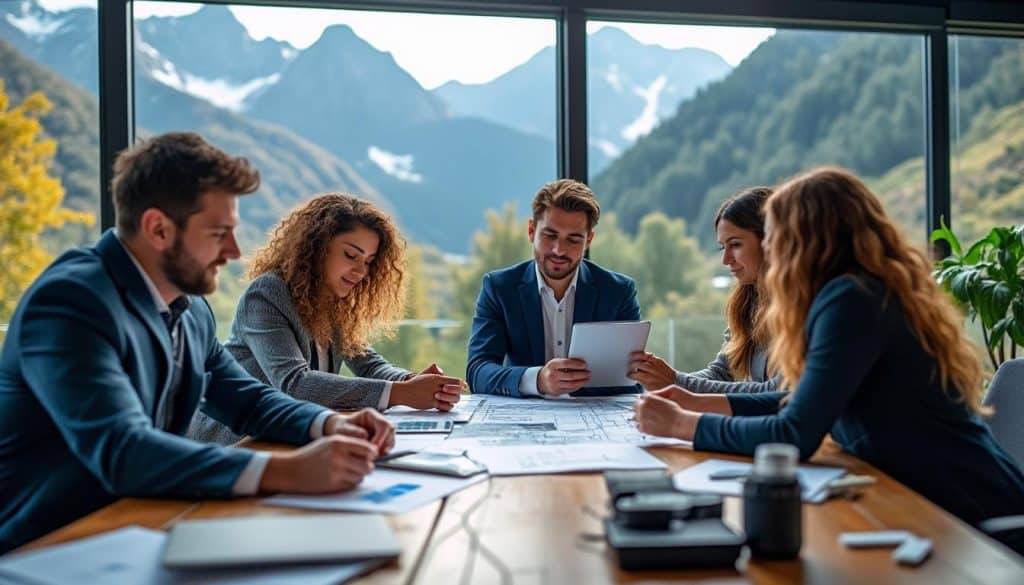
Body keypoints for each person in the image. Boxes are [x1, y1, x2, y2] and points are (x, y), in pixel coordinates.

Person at [0, 133, 395, 553]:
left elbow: (248, 401)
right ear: (159, 229)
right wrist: (288, 470)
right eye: (219, 233)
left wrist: (330, 424)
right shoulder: (72, 302)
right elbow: (124, 450)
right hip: (49, 548)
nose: (234, 251)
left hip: (141, 526)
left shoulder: (190, 310)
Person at [633, 167, 1024, 525]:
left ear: (807, 238)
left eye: (777, 235)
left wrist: (682, 424)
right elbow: (798, 398)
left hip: (974, 513)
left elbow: (795, 434)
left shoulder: (853, 299)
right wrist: (694, 401)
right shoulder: (853, 293)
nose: (772, 249)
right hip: (932, 499)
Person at [188, 194, 463, 445]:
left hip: (286, 439)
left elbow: (368, 364)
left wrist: (412, 381)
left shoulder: (332, 302)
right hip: (233, 442)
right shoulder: (267, 293)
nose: (361, 271)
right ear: (317, 247)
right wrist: (402, 392)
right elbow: (295, 383)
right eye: (351, 255)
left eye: (368, 262)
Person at [466, 179, 641, 397]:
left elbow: (631, 380)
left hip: (594, 414)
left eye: (574, 239)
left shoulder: (618, 292)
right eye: (550, 235)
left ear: (588, 240)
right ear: (531, 230)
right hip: (525, 415)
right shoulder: (499, 288)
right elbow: (478, 372)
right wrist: (537, 379)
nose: (559, 250)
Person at [628, 187, 778, 394]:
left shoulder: (804, 307)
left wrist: (675, 382)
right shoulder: (748, 302)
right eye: (722, 247)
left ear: (770, 242)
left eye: (735, 244)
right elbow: (720, 373)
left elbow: (776, 393)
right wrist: (661, 380)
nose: (726, 260)